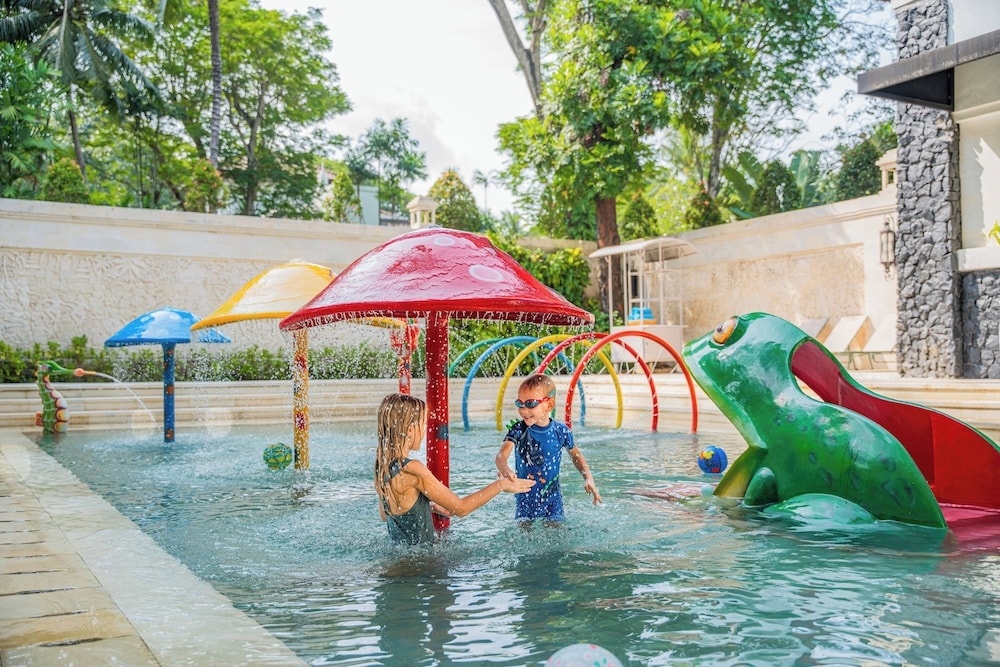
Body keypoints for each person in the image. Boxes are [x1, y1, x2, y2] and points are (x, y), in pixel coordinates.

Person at [374, 392, 535, 545]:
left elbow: (385, 515)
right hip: (424, 565)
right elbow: (461, 508)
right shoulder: (412, 468)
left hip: (404, 562)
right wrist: (500, 485)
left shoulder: (383, 468)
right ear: (410, 430)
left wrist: (425, 504)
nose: (424, 430)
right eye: (423, 424)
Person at [495, 373, 602, 522]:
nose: (523, 410)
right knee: (525, 533)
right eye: (520, 404)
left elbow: (576, 456)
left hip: (552, 498)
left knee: (556, 533)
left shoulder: (561, 431)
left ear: (549, 405)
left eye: (530, 404)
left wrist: (588, 478)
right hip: (525, 497)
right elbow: (501, 456)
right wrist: (505, 470)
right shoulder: (519, 429)